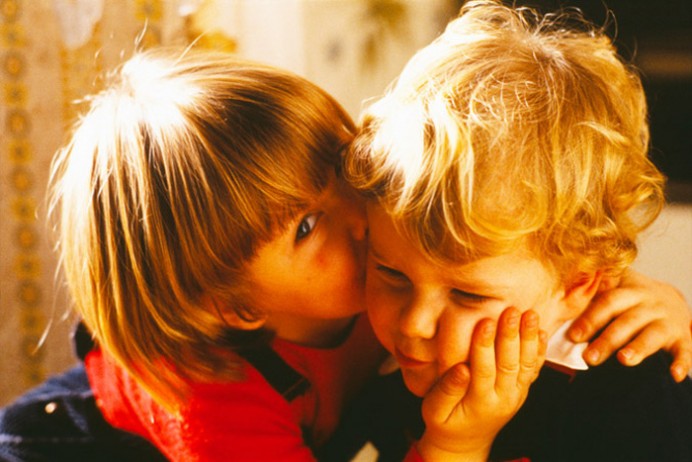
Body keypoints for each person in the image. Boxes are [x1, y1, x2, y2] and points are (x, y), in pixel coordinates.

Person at [0, 43, 690, 462]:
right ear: (239, 305)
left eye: (341, 173)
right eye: (306, 229)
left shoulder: (370, 262)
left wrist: (646, 296)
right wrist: (456, 446)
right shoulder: (216, 407)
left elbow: (518, 250)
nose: (364, 223)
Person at [338, 1, 692, 460]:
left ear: (578, 285)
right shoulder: (379, 359)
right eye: (391, 273)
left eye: (467, 296)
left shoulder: (633, 399)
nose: (414, 324)